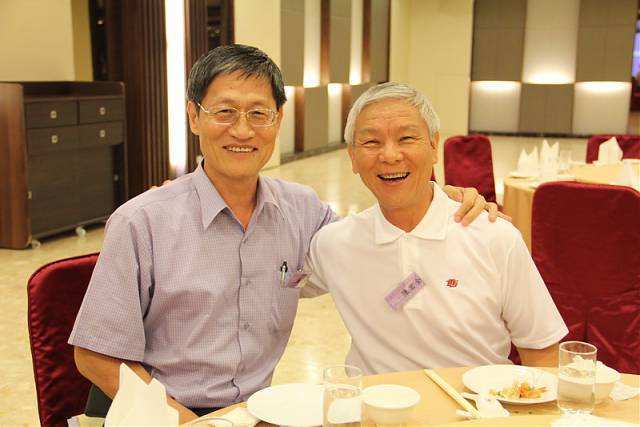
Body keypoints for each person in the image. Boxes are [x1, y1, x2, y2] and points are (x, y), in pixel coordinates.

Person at [69, 45, 501, 423]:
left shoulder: (302, 212)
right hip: (157, 413)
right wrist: (191, 424)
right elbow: (95, 355)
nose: (242, 130)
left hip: (255, 412)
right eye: (224, 112)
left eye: (258, 114)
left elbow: (375, 244)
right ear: (194, 117)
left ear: (278, 120)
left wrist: (433, 198)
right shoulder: (143, 221)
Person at [304, 82, 568, 375]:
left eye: (406, 138)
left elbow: (542, 353)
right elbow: (276, 281)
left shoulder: (495, 237)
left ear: (433, 146)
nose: (390, 155)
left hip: (473, 402)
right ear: (352, 156)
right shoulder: (334, 243)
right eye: (371, 142)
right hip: (374, 403)